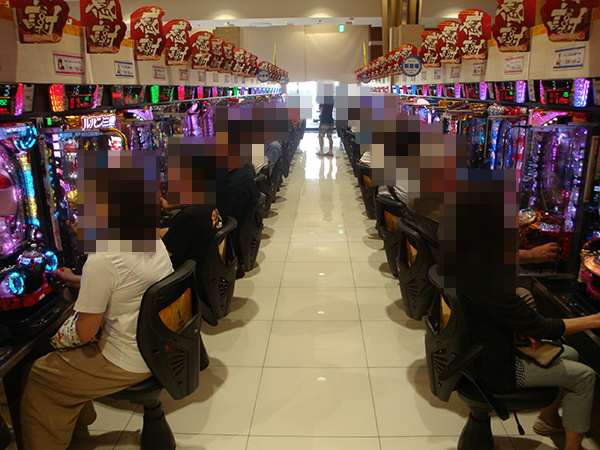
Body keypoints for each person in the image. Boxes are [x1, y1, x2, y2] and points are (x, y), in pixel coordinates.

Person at [20, 151, 174, 450]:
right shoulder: (149, 236)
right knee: (60, 362)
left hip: (129, 359)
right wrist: (78, 280)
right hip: (159, 343)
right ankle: (76, 426)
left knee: (38, 374)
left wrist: (58, 333)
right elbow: (127, 283)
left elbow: (84, 332)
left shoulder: (103, 257)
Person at [439, 171, 599, 450]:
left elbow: (515, 315)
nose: (520, 227)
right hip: (495, 367)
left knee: (570, 353)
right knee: (584, 376)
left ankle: (548, 418)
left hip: (478, 349)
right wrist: (594, 319)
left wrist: (523, 325)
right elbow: (542, 327)